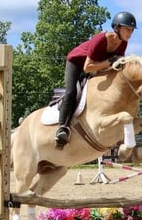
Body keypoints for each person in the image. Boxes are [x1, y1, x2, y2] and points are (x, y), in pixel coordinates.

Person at [54, 11, 137, 147]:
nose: (130, 33)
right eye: (127, 29)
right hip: (77, 63)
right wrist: (110, 61)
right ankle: (62, 127)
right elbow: (87, 67)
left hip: (97, 66)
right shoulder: (100, 40)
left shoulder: (123, 44)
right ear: (117, 28)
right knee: (71, 92)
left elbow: (116, 65)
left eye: (132, 30)